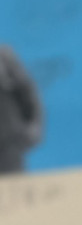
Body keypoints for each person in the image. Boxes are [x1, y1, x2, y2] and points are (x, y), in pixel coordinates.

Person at [0, 43, 43, 174]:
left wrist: (34, 126)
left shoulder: (4, 58)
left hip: (9, 142)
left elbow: (27, 93)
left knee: (13, 187)